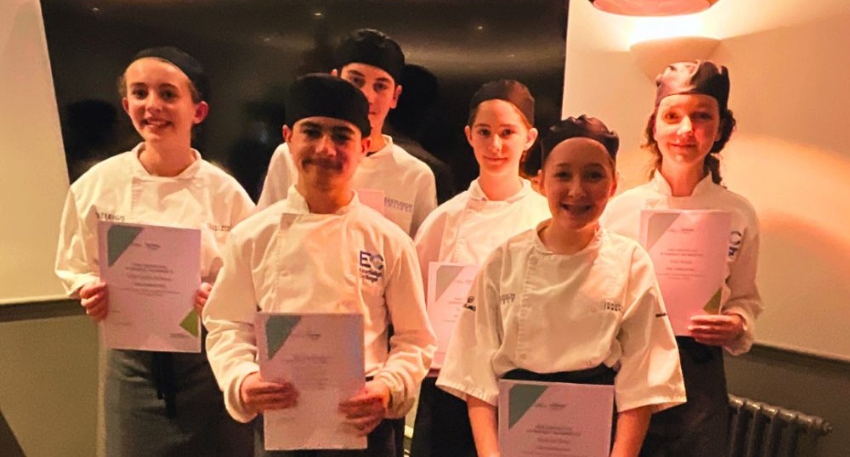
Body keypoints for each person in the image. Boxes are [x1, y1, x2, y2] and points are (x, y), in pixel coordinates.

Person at [203, 73, 437, 457]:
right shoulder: (252, 237)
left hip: (365, 426)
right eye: (311, 132)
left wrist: (389, 387)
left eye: (341, 136)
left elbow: (415, 339)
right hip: (282, 421)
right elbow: (227, 326)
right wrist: (242, 380)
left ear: (363, 146)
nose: (325, 149)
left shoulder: (389, 241)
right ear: (287, 138)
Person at [437, 116, 686, 457]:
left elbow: (641, 381)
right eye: (563, 174)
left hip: (596, 438)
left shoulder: (631, 261)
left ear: (613, 185)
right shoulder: (505, 260)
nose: (577, 190)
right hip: (515, 435)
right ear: (540, 182)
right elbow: (474, 374)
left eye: (594, 175)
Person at [55, 46, 255, 456]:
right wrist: (90, 290)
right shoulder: (96, 185)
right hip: (131, 366)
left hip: (208, 364)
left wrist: (220, 299)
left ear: (197, 111)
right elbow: (73, 265)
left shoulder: (226, 193)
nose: (153, 106)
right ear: (126, 104)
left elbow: (253, 281)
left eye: (167, 94)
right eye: (140, 93)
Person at [602, 60, 763, 456]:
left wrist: (737, 324)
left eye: (701, 116)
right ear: (654, 126)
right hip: (624, 367)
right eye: (672, 116)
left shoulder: (738, 213)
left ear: (721, 128)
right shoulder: (618, 210)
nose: (685, 130)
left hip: (698, 374)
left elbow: (745, 297)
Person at [409, 80, 550, 457]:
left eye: (508, 133)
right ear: (469, 136)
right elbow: (415, 311)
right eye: (485, 133)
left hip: (519, 388)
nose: (496, 146)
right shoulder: (443, 221)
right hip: (448, 389)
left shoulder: (546, 218)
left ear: (529, 138)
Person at [257, 28, 437, 237]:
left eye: (380, 86)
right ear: (336, 79)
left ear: (395, 96)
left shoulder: (415, 176)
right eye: (356, 81)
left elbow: (418, 258)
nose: (366, 96)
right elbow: (264, 231)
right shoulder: (292, 155)